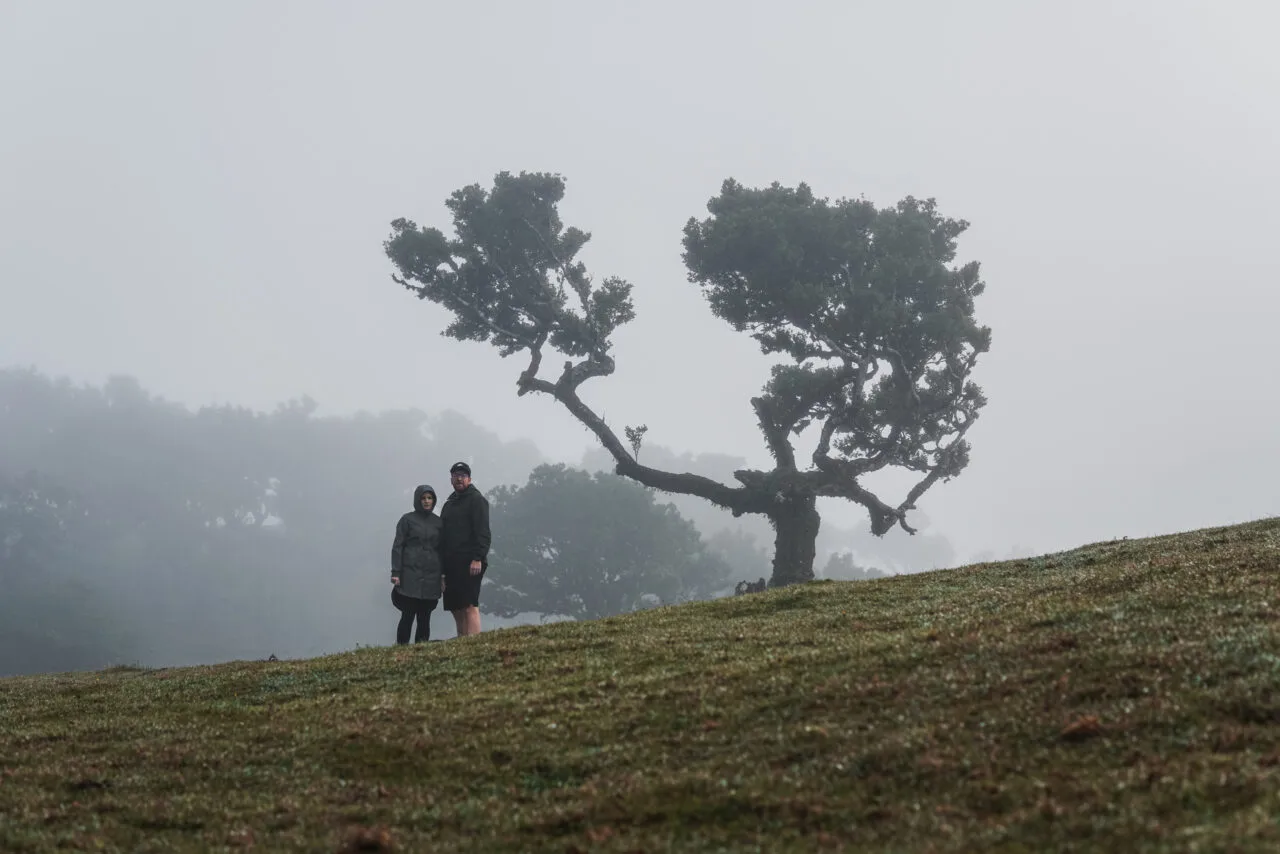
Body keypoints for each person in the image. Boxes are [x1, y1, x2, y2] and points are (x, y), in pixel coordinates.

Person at [439, 461, 491, 637]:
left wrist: (478, 558)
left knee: (469, 604)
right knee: (456, 606)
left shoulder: (477, 500)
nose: (459, 479)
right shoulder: (449, 505)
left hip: (470, 562)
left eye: (462, 476)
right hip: (451, 563)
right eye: (455, 476)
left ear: (469, 479)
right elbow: (443, 537)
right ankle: (462, 641)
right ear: (451, 479)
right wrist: (442, 570)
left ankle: (474, 642)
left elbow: (483, 532)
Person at [389, 484, 444, 644]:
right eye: (423, 498)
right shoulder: (407, 520)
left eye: (429, 498)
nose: (426, 501)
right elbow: (398, 546)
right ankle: (401, 648)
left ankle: (421, 648)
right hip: (410, 575)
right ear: (417, 500)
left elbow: (443, 550)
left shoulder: (439, 523)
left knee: (425, 616)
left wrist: (443, 576)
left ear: (433, 500)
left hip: (431, 577)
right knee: (407, 614)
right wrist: (396, 572)